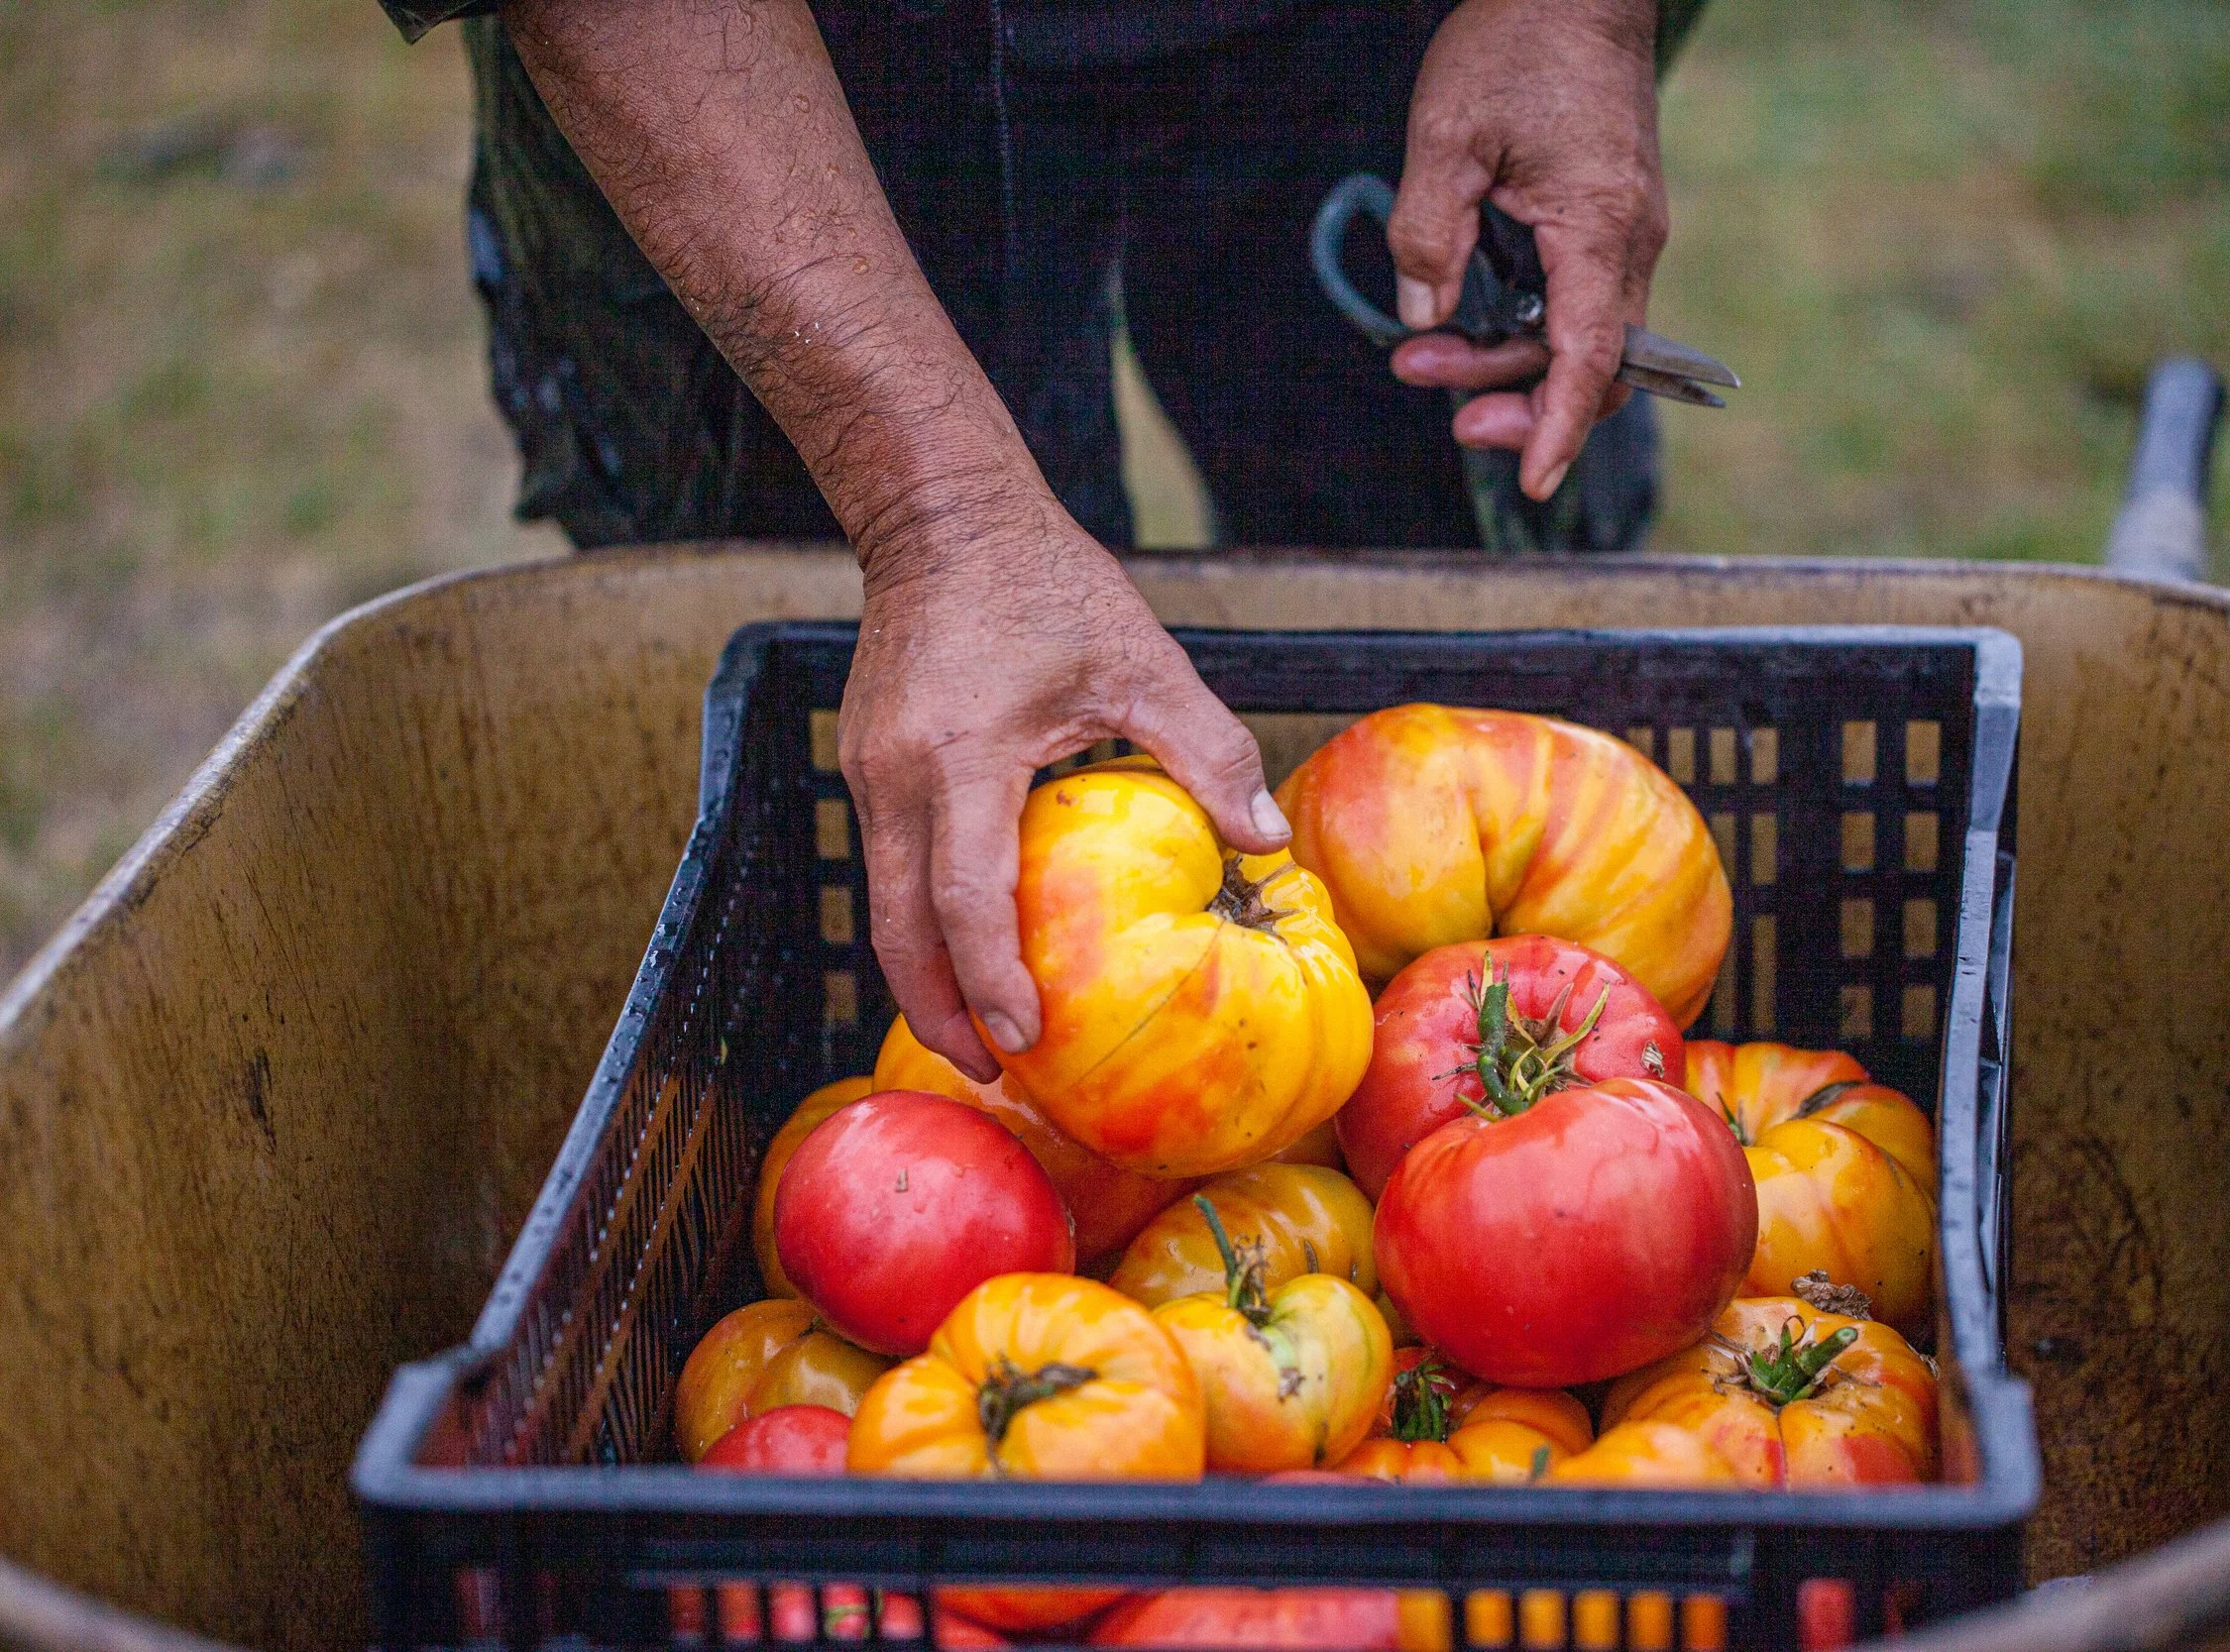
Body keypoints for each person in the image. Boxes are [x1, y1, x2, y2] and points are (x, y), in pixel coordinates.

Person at [384, 0, 1701, 1082]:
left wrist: (1580, 19)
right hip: (782, 68)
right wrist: (928, 509)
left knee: (1456, 567)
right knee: (872, 760)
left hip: (1375, 34)